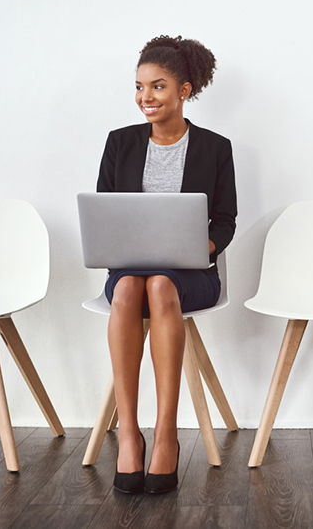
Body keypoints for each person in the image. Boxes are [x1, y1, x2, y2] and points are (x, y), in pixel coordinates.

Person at [96, 35, 236, 495]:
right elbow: (103, 213)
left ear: (184, 90)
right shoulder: (119, 142)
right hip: (128, 269)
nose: (145, 98)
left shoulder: (215, 147)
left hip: (191, 275)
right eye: (139, 87)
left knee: (159, 285)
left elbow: (225, 219)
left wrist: (204, 248)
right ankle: (131, 435)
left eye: (157, 86)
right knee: (130, 287)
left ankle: (167, 436)